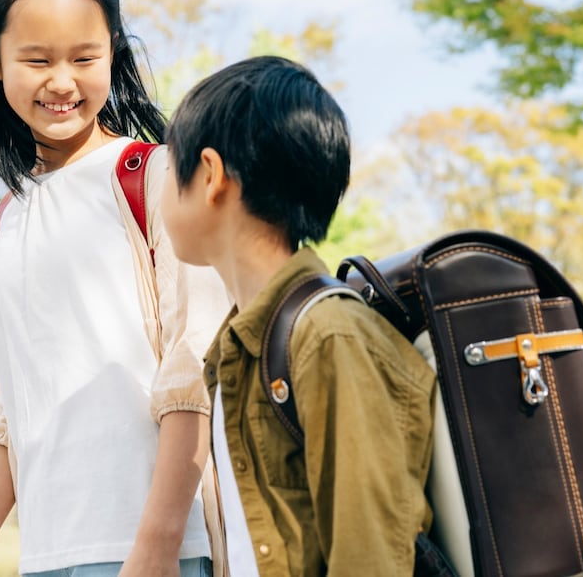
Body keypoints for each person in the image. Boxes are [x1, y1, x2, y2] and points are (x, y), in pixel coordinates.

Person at [0, 0, 228, 577]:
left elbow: (195, 365)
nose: (62, 81)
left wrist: (154, 548)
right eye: (36, 59)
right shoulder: (3, 223)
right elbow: (5, 414)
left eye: (85, 57)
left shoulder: (155, 177)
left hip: (159, 550)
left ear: (115, 51)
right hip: (45, 556)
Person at [159, 56, 436, 575]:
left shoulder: (329, 337)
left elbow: (369, 558)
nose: (162, 192)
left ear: (212, 176)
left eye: (172, 169)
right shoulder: (242, 351)